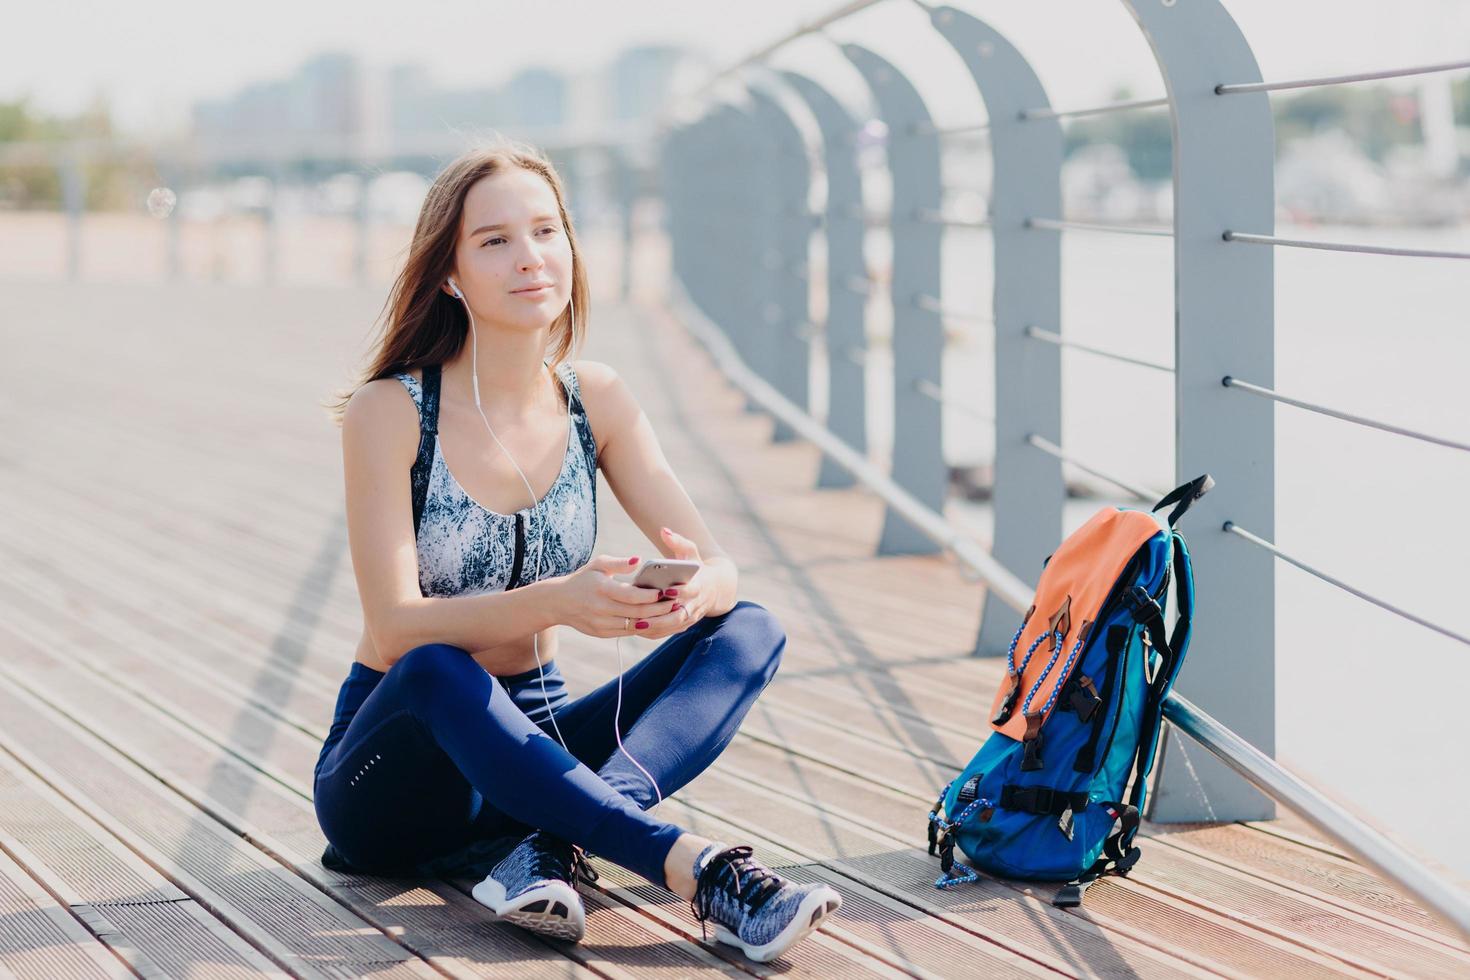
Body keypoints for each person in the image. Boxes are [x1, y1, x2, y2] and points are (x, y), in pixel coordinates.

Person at [314, 139, 840, 963]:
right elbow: (392, 631)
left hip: (539, 749)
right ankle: (695, 870)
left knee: (750, 626)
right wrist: (560, 601)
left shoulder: (597, 399)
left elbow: (720, 565)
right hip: (395, 780)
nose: (531, 259)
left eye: (546, 231)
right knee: (438, 666)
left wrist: (690, 593)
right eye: (495, 241)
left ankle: (556, 839)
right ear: (448, 273)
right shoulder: (390, 412)